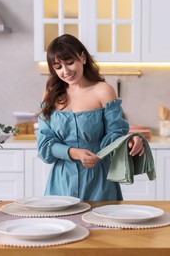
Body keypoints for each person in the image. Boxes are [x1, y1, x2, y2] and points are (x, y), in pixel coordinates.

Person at [36, 34, 145, 201]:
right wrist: (74, 153)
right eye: (58, 67)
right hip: (61, 184)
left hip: (99, 182)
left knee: (101, 226)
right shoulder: (51, 93)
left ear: (83, 58)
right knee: (61, 226)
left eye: (70, 62)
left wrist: (129, 140)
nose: (66, 72)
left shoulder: (103, 90)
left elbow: (115, 134)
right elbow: (44, 146)